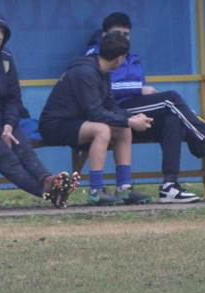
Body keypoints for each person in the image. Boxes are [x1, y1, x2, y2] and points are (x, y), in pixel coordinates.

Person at [85, 12, 205, 203]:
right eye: (118, 34)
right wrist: (139, 89)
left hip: (137, 111)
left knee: (172, 120)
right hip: (115, 110)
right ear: (105, 35)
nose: (123, 38)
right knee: (170, 99)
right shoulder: (96, 55)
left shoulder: (132, 58)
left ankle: (169, 186)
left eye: (126, 34)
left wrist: (143, 92)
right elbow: (103, 87)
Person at [0, 8, 78, 208]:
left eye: (3, 31)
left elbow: (14, 96)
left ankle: (48, 180)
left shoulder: (6, 57)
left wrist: (9, 124)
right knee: (6, 157)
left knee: (25, 150)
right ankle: (47, 192)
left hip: (5, 121)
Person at [40, 31, 154, 206]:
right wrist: (129, 121)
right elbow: (96, 113)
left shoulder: (102, 71)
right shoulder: (85, 72)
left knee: (124, 129)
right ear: (120, 58)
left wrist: (131, 118)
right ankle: (96, 191)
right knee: (102, 130)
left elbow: (110, 105)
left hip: (78, 122)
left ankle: (124, 187)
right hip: (56, 125)